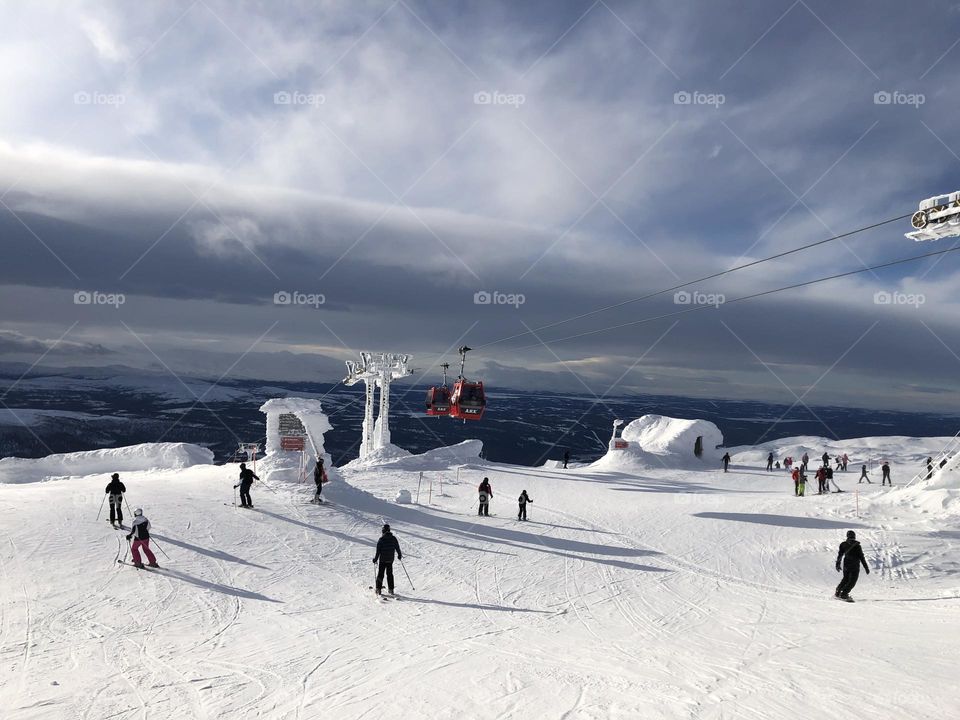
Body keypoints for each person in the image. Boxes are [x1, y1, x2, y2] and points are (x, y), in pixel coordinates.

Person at [835, 530, 869, 601]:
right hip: (854, 566)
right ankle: (844, 594)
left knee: (845, 579)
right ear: (854, 536)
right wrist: (866, 567)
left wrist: (837, 564)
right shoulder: (857, 546)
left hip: (846, 565)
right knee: (852, 581)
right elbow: (861, 557)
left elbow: (840, 555)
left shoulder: (843, 544)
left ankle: (838, 592)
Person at [372, 523, 402, 596]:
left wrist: (375, 559)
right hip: (390, 559)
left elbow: (378, 551)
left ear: (383, 531)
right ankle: (391, 590)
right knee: (390, 574)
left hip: (382, 560)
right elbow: (397, 547)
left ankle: (378, 589)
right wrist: (399, 555)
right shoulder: (393, 538)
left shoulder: (381, 539)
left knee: (380, 574)